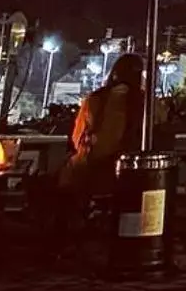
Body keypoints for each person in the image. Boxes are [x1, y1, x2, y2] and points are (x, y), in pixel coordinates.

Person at [62, 53, 145, 192]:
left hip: (88, 170)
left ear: (114, 73)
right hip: (130, 172)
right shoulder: (146, 103)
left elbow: (77, 136)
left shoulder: (95, 99)